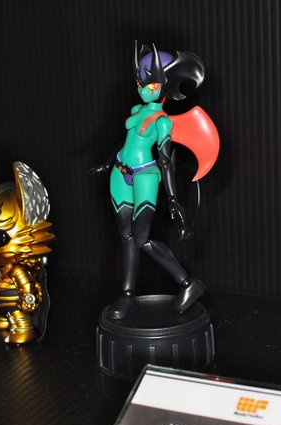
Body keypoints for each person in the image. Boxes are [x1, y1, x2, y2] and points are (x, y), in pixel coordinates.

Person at [90, 43, 218, 320]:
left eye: (152, 84)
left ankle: (187, 283)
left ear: (166, 86)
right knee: (126, 236)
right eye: (140, 82)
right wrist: (107, 162)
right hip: (119, 173)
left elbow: (165, 160)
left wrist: (172, 199)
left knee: (141, 239)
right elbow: (127, 143)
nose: (143, 89)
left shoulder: (162, 122)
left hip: (145, 176)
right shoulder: (137, 109)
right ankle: (127, 295)